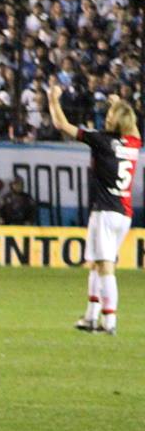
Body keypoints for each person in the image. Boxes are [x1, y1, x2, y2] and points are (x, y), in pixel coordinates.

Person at [48, 86, 140, 335]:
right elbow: (132, 125)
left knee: (106, 266)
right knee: (98, 264)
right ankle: (91, 316)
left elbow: (61, 125)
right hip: (123, 213)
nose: (106, 118)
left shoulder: (102, 141)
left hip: (105, 212)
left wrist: (53, 99)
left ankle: (109, 321)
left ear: (116, 121)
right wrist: (118, 103)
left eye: (110, 115)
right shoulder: (134, 142)